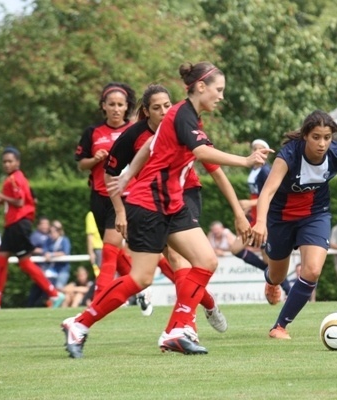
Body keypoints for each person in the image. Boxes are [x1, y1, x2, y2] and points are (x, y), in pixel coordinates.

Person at [61, 61, 270, 358]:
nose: (221, 96)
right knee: (141, 279)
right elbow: (201, 153)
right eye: (218, 90)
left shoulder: (184, 116)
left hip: (172, 204)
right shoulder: (183, 115)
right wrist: (246, 160)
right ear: (201, 87)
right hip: (149, 205)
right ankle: (79, 324)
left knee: (206, 261)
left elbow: (150, 147)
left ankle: (177, 330)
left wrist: (128, 174)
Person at [105, 83, 245, 326]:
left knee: (189, 261)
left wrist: (238, 212)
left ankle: (185, 324)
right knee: (176, 261)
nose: (163, 111)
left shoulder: (185, 126)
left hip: (186, 194)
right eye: (156, 108)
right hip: (154, 199)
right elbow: (110, 173)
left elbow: (217, 172)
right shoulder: (134, 135)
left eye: (167, 106)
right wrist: (120, 212)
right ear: (146, 111)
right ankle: (191, 320)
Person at [250, 109, 337, 340]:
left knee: (312, 270)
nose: (322, 144)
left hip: (315, 215)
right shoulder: (289, 155)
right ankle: (271, 282)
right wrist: (260, 222)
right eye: (316, 137)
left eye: (327, 137)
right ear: (305, 136)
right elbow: (268, 190)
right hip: (280, 218)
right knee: (277, 275)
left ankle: (279, 326)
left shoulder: (336, 153)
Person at [0, 146, 64, 310]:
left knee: (21, 262)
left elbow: (20, 202)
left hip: (18, 224)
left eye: (10, 161)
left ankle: (54, 294)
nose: (7, 164)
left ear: (17, 162)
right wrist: (5, 200)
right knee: (3, 260)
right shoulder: (15, 179)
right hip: (14, 224)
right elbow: (31, 199)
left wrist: (0, 196)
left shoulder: (15, 179)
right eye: (4, 162)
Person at [74, 82, 137, 301]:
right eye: (112, 104)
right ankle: (139, 287)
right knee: (114, 251)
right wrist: (94, 159)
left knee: (110, 248)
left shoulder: (134, 130)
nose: (116, 108)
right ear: (104, 106)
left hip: (126, 197)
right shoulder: (93, 132)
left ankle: (99, 299)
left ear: (127, 107)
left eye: (120, 104)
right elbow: (81, 164)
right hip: (99, 196)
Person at [231, 138, 292, 303]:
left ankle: (287, 290)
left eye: (261, 149)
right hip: (254, 219)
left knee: (266, 259)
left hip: (264, 219)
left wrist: (250, 203)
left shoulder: (266, 171)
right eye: (254, 148)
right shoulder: (254, 170)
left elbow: (272, 195)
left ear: (267, 153)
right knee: (236, 248)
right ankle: (281, 284)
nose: (257, 151)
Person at [26, 216, 51, 307]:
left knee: (42, 288)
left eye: (47, 224)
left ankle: (34, 305)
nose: (45, 226)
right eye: (43, 224)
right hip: (39, 267)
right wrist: (44, 252)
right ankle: (31, 305)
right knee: (38, 288)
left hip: (49, 267)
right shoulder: (35, 236)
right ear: (38, 226)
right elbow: (30, 249)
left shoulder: (50, 235)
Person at [43, 220, 72, 290]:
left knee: (59, 288)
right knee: (48, 288)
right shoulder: (48, 241)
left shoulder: (64, 240)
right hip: (51, 269)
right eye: (50, 232)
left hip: (62, 270)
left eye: (54, 232)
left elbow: (65, 252)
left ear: (58, 232)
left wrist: (52, 254)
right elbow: (45, 252)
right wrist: (47, 254)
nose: (52, 234)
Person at [85, 211, 102, 276]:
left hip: (101, 248)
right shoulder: (91, 214)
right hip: (98, 249)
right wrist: (91, 252)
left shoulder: (91, 214)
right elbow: (90, 235)